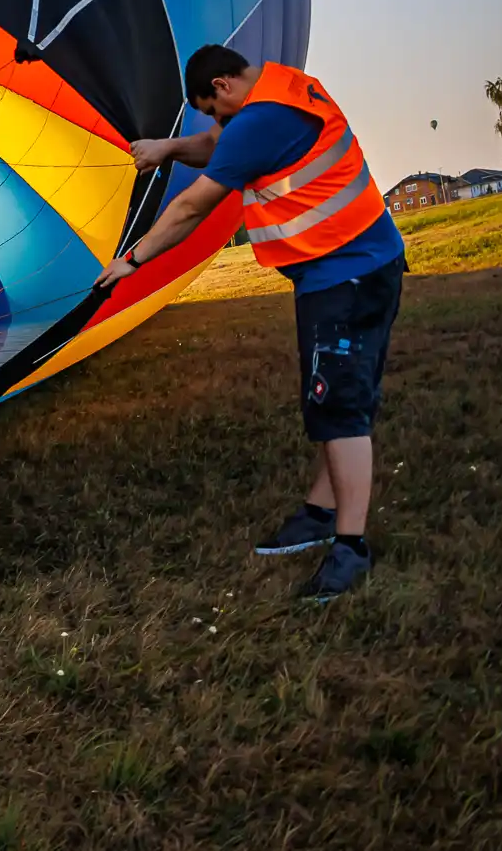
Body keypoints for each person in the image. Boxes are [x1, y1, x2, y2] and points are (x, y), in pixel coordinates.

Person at [96, 45, 406, 602]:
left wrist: (132, 260)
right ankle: (321, 511)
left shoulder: (259, 121)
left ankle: (351, 547)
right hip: (364, 262)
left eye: (212, 110)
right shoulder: (282, 87)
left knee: (338, 406)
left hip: (346, 275)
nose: (215, 123)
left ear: (222, 86)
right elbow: (220, 143)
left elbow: (191, 207)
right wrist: (169, 147)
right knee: (339, 399)